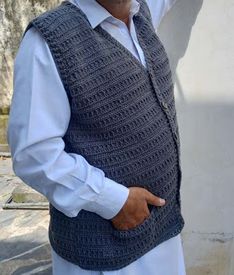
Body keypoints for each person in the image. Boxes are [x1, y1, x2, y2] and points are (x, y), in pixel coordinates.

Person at [7, 0, 186, 274]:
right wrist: (114, 202)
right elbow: (34, 155)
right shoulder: (48, 41)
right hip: (103, 247)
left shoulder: (141, 13)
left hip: (159, 232)